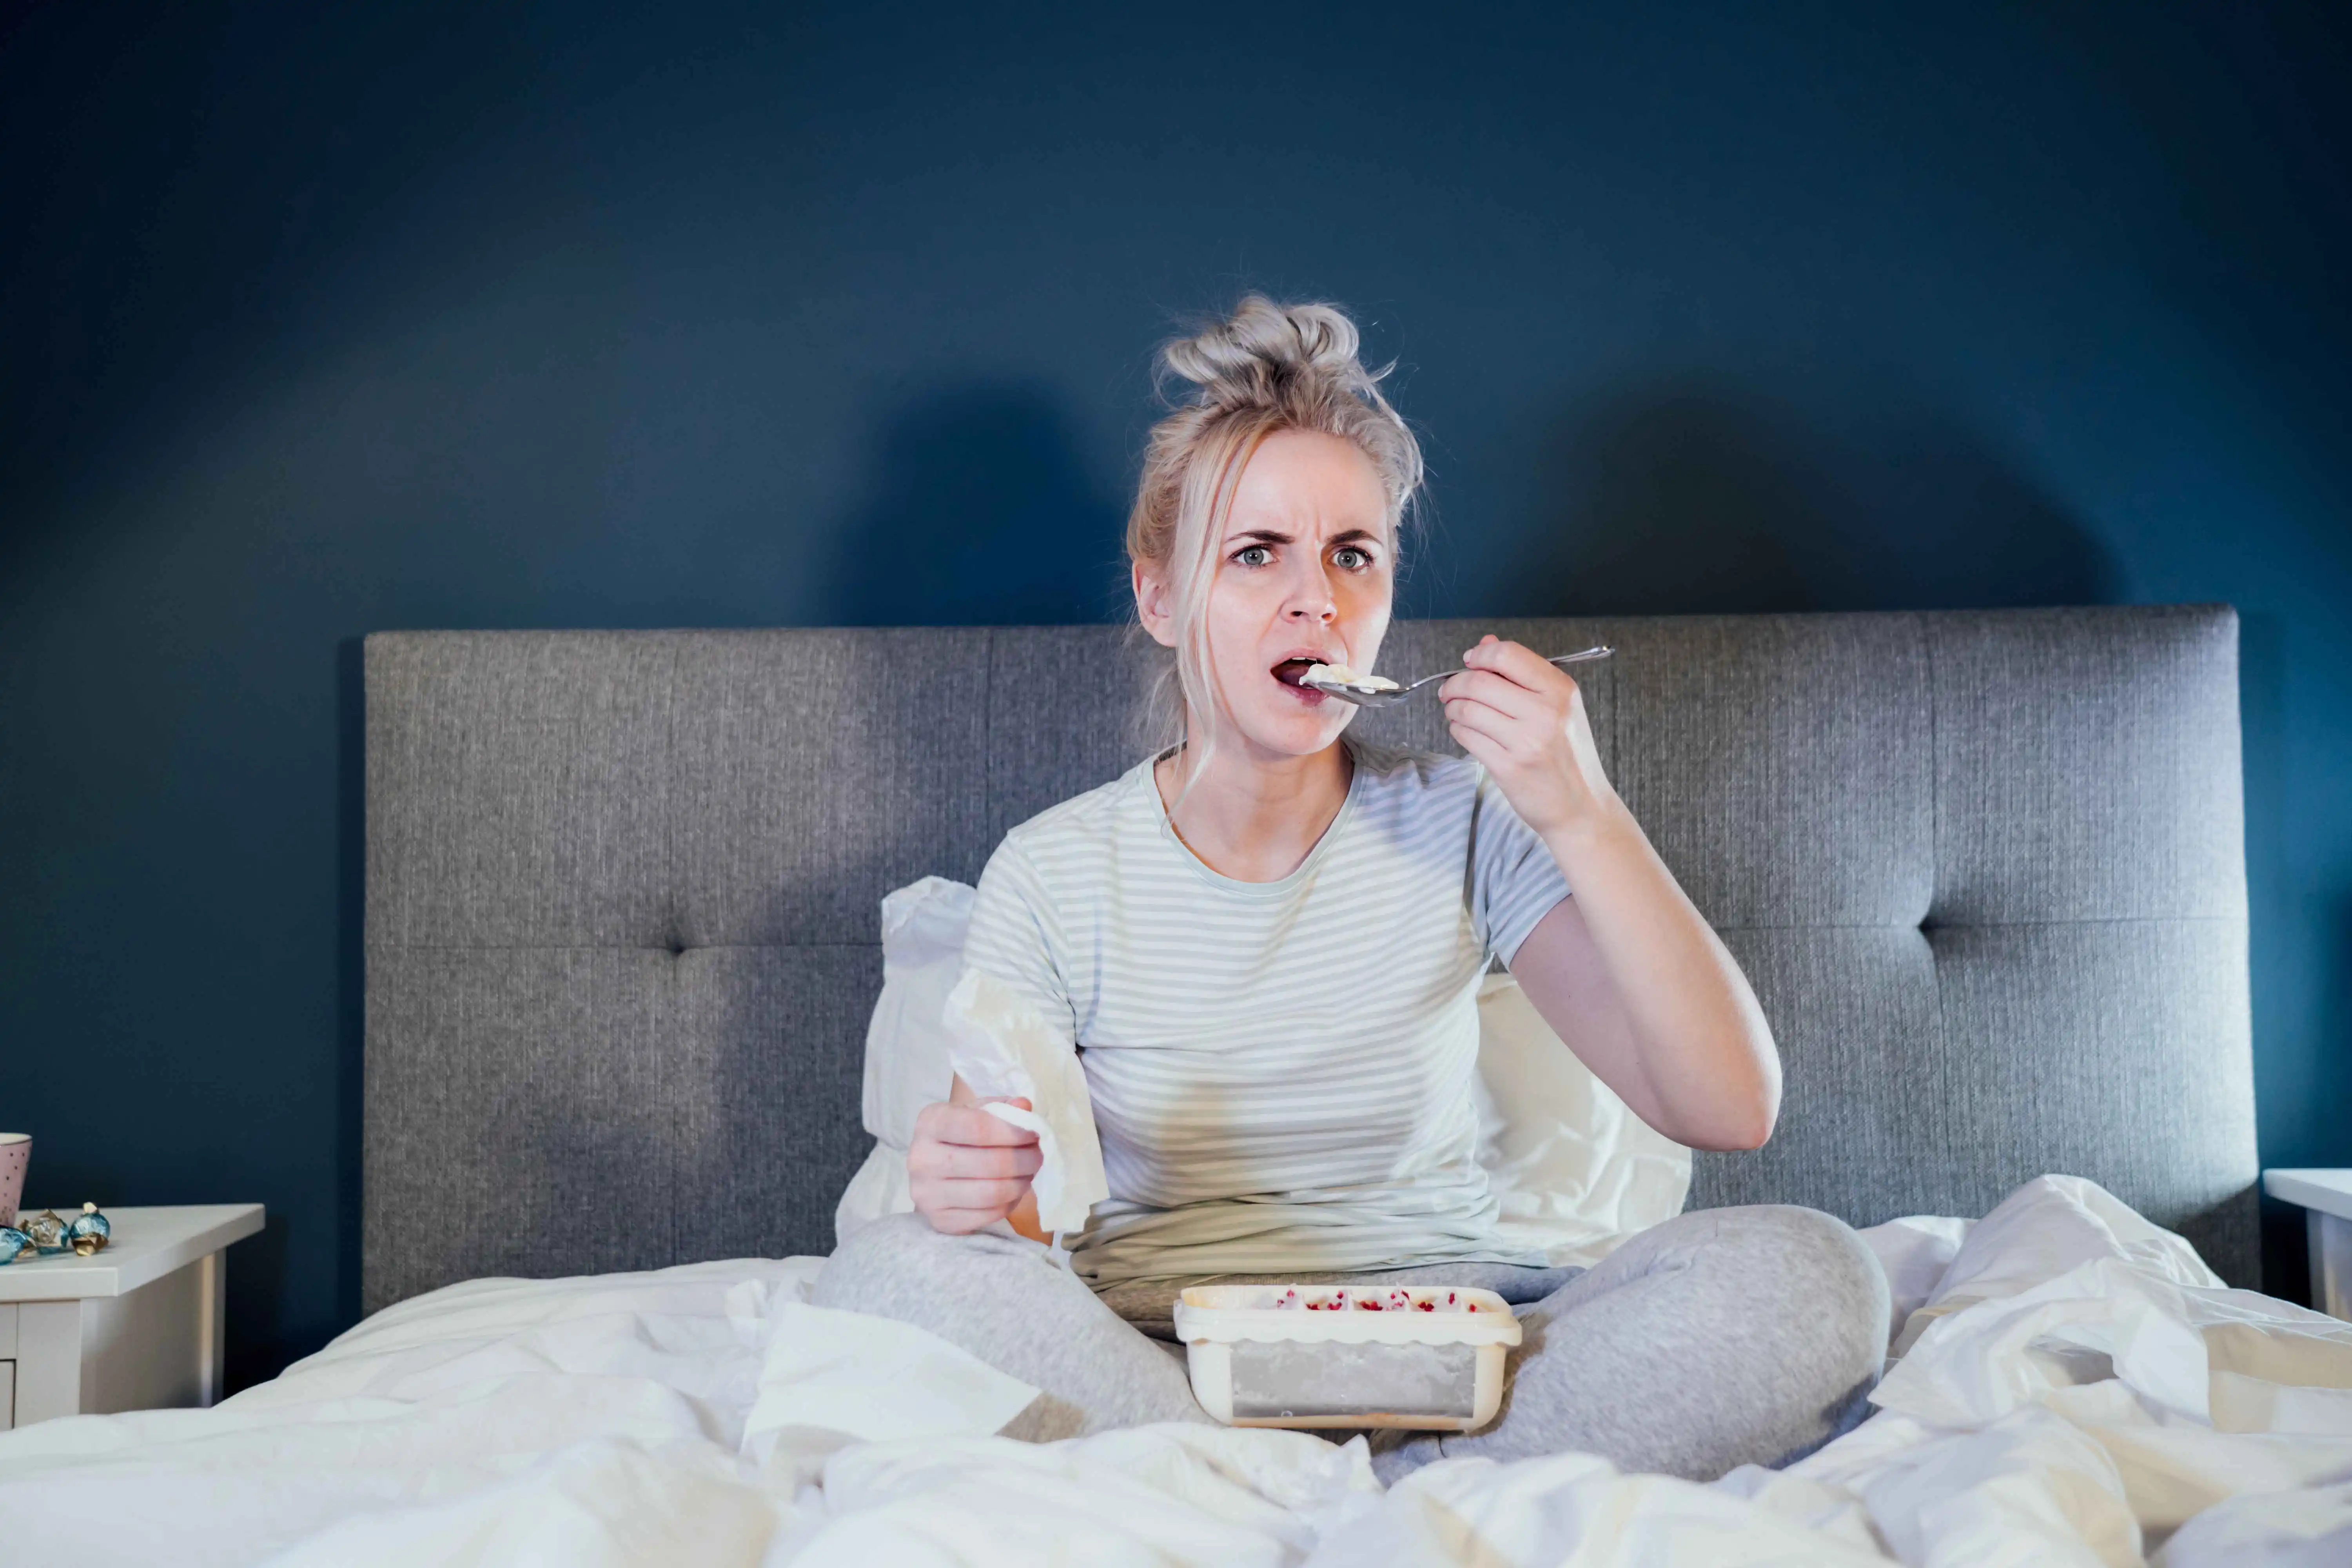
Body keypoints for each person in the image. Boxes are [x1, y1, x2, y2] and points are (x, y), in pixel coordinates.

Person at [813, 296, 1887, 1481]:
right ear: (1161, 599)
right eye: (1256, 552)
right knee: (889, 1276)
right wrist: (968, 1185)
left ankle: (1283, 1492)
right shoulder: (1055, 870)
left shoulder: (1469, 820)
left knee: (1816, 1275)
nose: (1314, 597)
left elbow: (1730, 1110)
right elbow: (1016, 1219)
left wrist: (1584, 810)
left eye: (1353, 554)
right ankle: (1348, 1492)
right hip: (1164, 1351)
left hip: (1459, 1344)